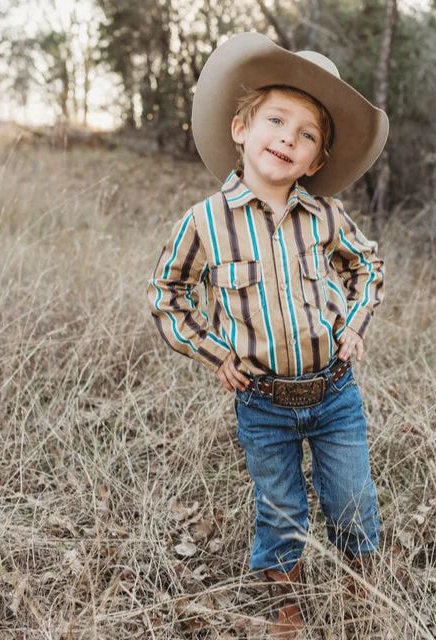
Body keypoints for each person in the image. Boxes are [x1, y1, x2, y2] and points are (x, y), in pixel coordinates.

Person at [147, 32, 388, 639]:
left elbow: (367, 266)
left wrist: (354, 324)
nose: (287, 138)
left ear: (315, 161)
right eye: (276, 120)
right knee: (280, 508)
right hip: (262, 401)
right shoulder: (204, 223)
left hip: (334, 393)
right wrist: (214, 352)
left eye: (306, 135)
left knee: (351, 500)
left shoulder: (325, 216)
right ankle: (287, 606)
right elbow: (168, 293)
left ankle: (359, 591)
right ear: (241, 129)